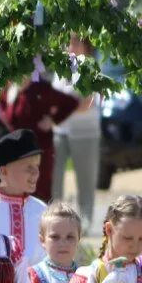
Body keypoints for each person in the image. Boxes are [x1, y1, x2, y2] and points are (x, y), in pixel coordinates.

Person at [0, 74, 78, 202]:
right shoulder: (12, 91)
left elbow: (71, 102)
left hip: (40, 152)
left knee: (41, 193)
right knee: (20, 193)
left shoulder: (42, 88)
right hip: (18, 153)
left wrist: (53, 120)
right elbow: (6, 114)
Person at [51, 35, 102, 224]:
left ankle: (86, 220)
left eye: (75, 42)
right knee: (54, 177)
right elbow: (55, 97)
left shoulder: (91, 67)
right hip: (60, 131)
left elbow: (87, 102)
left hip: (85, 132)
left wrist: (62, 110)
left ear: (86, 46)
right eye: (69, 42)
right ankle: (54, 217)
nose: (70, 46)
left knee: (85, 178)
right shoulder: (61, 67)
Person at [0, 129, 47, 266]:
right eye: (28, 168)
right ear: (4, 171)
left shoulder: (43, 211)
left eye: (37, 166)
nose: (36, 173)